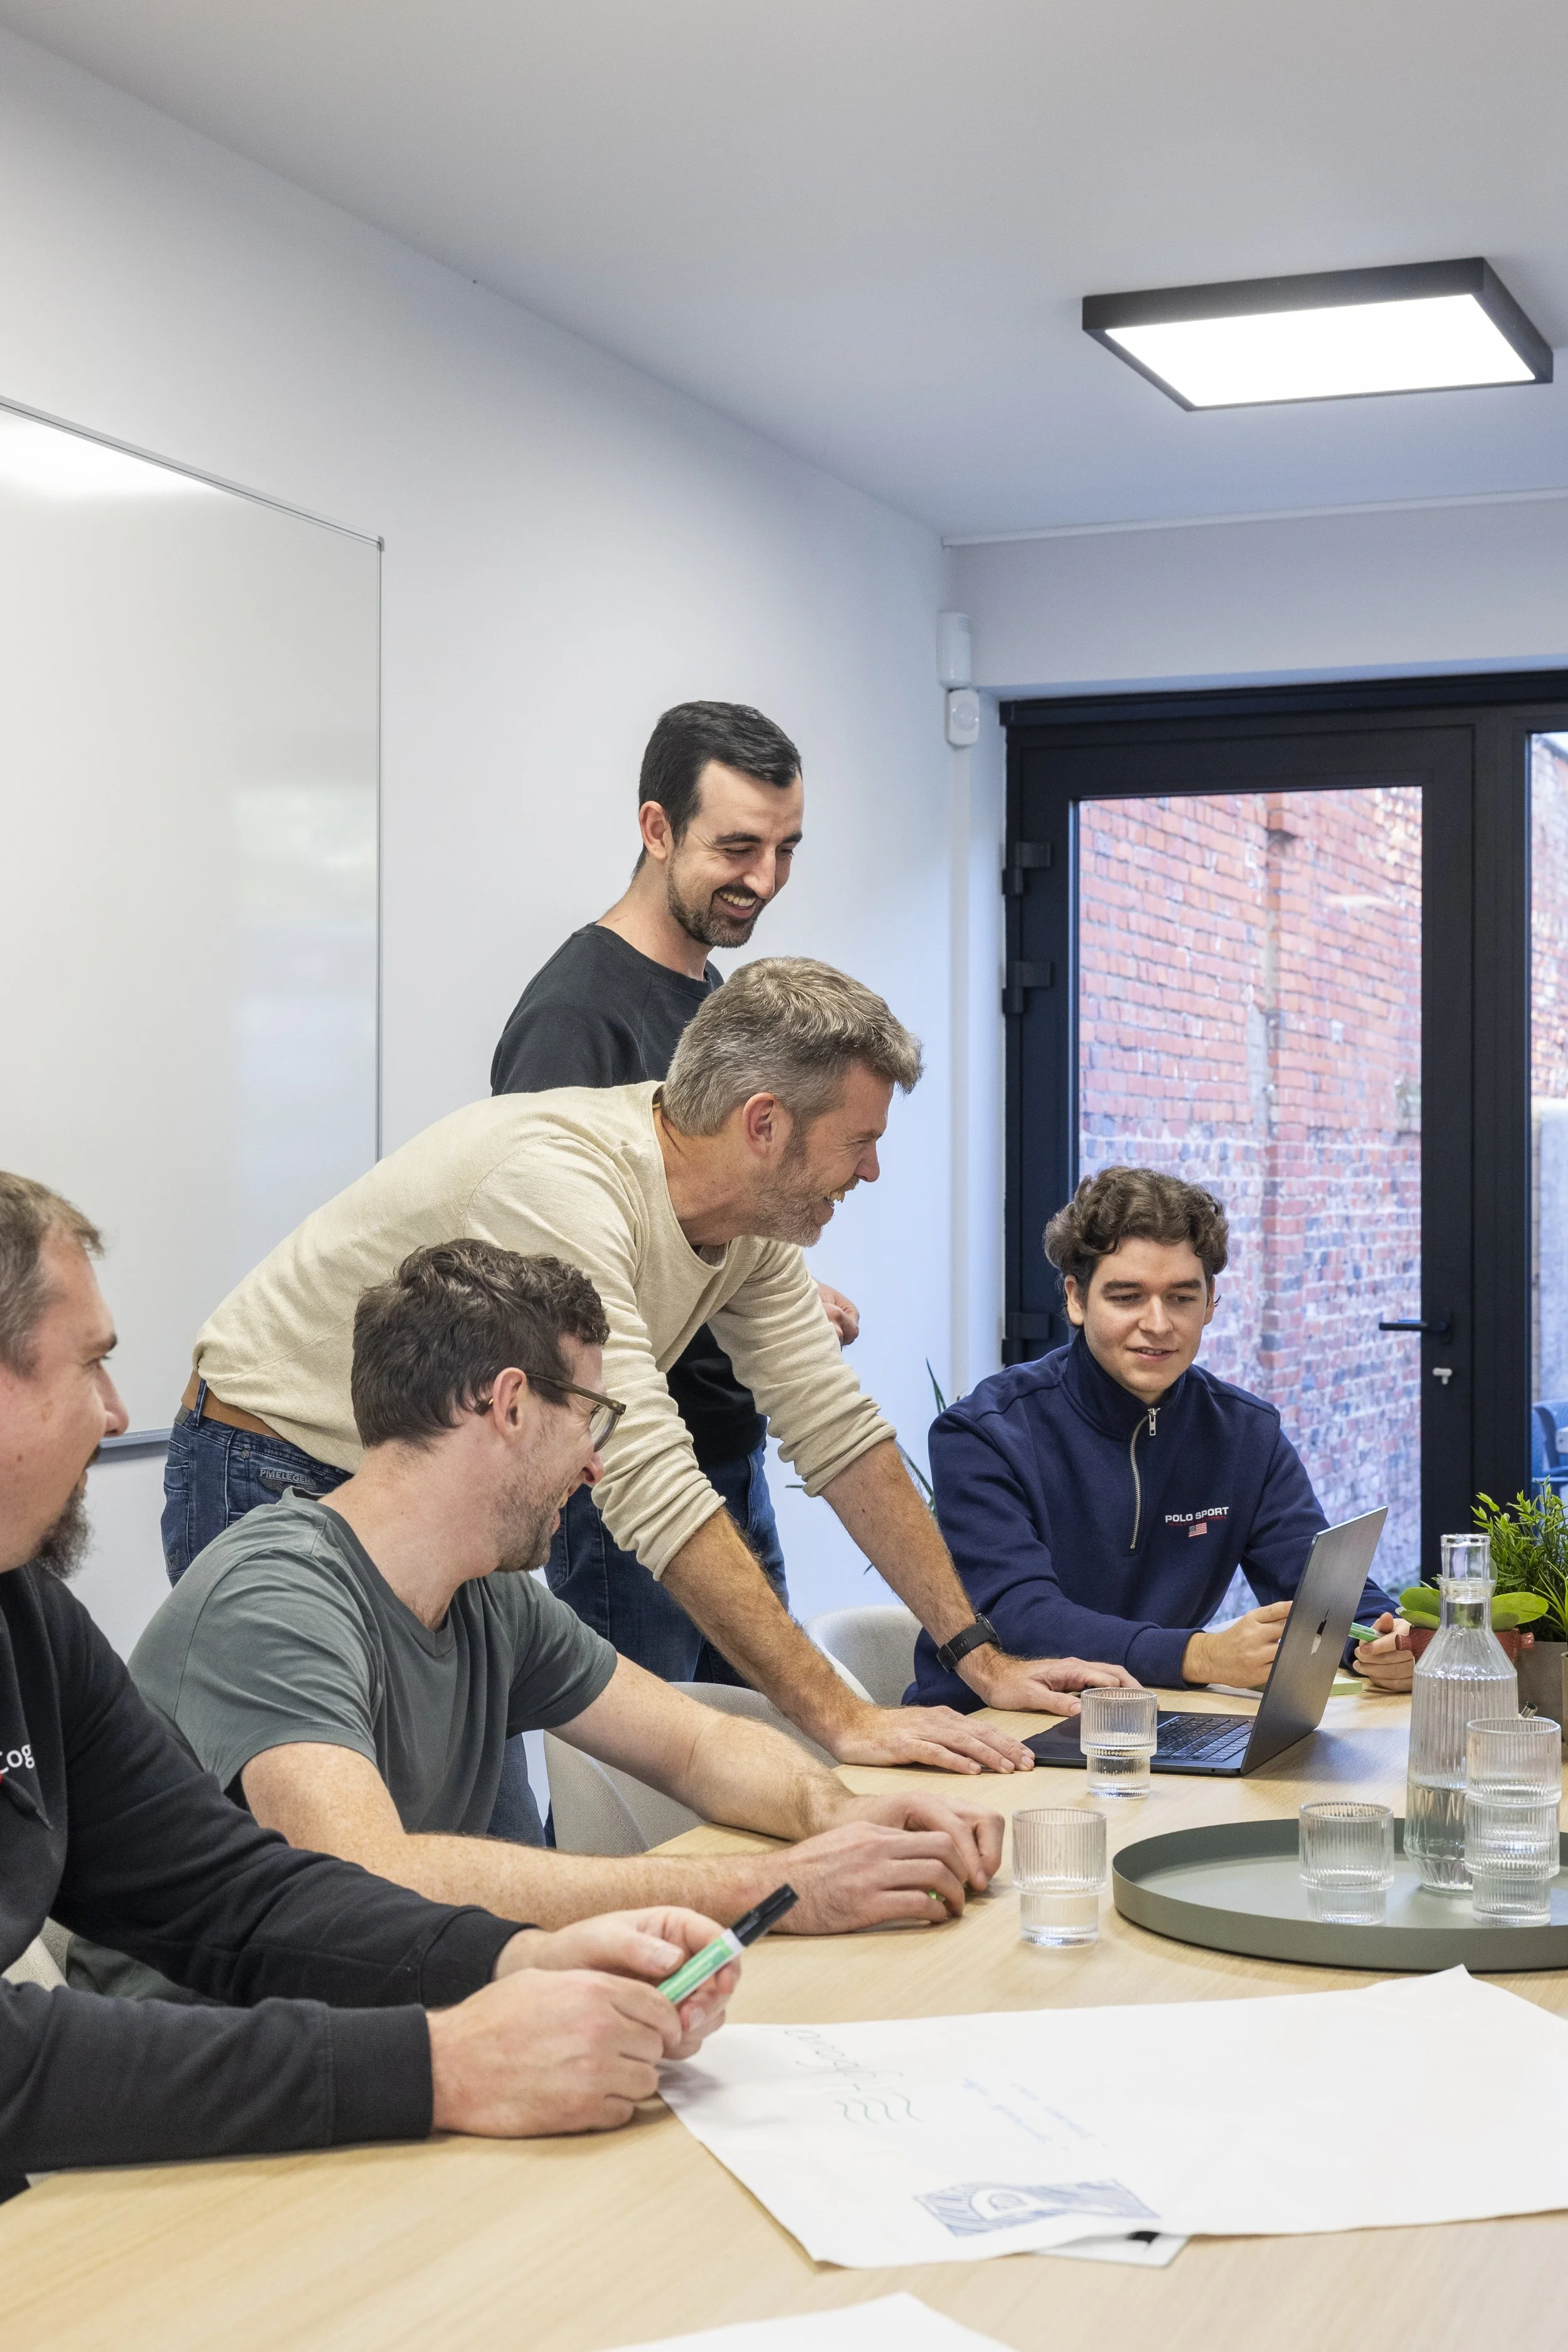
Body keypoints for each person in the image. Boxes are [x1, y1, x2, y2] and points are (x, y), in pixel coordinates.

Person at [164, 959, 1128, 1777]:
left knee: (485, 1851)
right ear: (764, 1125)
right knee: (332, 1864)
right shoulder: (563, 1188)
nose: (870, 1171)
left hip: (442, 1488)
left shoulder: (745, 1225)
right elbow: (650, 1481)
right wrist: (843, 1718)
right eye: (861, 1140)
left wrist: (980, 1657)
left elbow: (836, 1431)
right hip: (280, 1461)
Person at [0, 1172, 734, 2191]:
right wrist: (442, 2065)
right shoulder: (270, 1590)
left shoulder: (24, 1617)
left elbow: (235, 1898)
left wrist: (515, 1959)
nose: (118, 1413)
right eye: (89, 1368)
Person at [82, 1239, 1002, 1995]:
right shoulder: (272, 1598)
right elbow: (363, 1875)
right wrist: (769, 1888)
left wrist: (840, 1820)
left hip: (368, 2017)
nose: (597, 1464)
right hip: (217, 2079)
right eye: (592, 1416)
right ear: (511, 1403)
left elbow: (693, 1745)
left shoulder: (488, 1593)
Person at [490, 699, 851, 1685]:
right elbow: (554, 1289)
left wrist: (772, 1299)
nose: (765, 880)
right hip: (625, 1485)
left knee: (758, 1774)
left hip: (730, 1458)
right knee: (628, 1810)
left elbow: (685, 1236)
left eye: (786, 849)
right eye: (738, 847)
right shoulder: (576, 1015)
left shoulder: (715, 1006)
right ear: (656, 830)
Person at [909, 1165, 1404, 1708]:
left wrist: (1379, 1640)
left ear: (1211, 1301)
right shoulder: (983, 1434)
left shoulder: (1245, 1435)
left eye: (1181, 1298)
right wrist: (1201, 1656)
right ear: (1077, 1300)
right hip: (981, 1730)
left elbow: (1320, 1587)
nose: (1159, 1324)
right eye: (1127, 1297)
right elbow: (1020, 1619)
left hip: (1141, 1728)